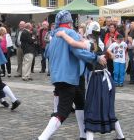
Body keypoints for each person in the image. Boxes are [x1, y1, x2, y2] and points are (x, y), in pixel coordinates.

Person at [37, 11, 106, 140]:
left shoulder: (54, 35)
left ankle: (83, 135)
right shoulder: (71, 33)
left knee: (81, 104)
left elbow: (46, 54)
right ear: (69, 22)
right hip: (69, 76)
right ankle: (42, 137)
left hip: (62, 76)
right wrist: (95, 58)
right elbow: (79, 53)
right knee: (63, 111)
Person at [56, 21, 125, 140]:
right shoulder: (101, 43)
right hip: (106, 78)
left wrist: (63, 34)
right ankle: (121, 136)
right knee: (108, 109)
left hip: (98, 79)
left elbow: (73, 42)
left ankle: (88, 138)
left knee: (90, 110)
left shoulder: (91, 44)